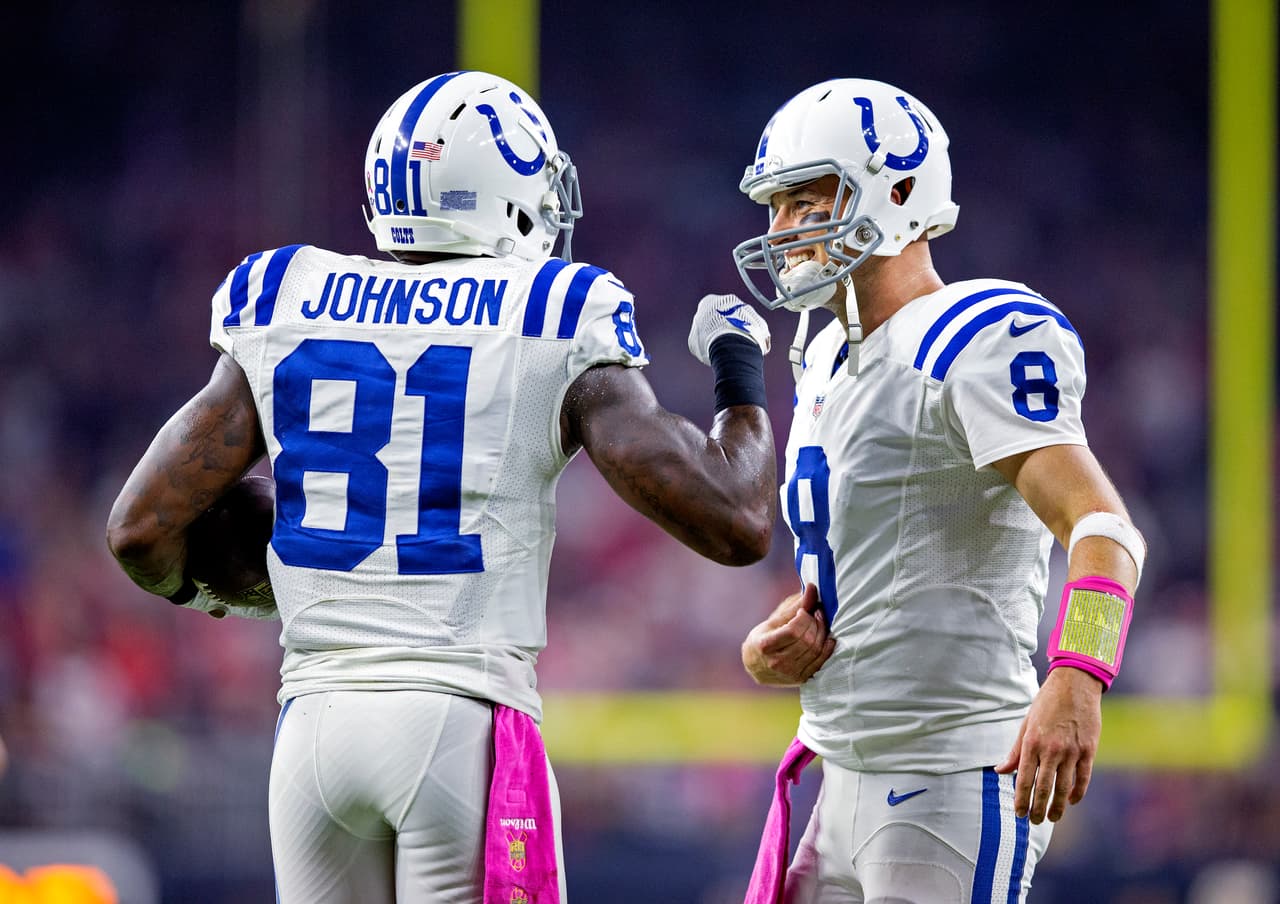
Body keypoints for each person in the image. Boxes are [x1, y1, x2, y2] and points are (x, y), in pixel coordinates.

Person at [106, 70, 777, 904]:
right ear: (513, 193)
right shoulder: (553, 310)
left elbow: (140, 532)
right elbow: (737, 520)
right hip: (459, 722)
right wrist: (740, 371)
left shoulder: (287, 295)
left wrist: (264, 589)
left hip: (312, 728)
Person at [730, 79, 1145, 903]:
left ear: (899, 192)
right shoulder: (825, 361)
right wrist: (768, 651)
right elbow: (876, 572)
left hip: (952, 775)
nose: (781, 230)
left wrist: (1078, 675)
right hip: (838, 768)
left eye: (806, 200)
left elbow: (1105, 528)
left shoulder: (974, 334)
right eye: (774, 207)